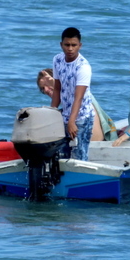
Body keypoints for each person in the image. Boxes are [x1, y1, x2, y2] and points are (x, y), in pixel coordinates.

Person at [50, 27, 95, 161]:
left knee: (79, 156)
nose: (70, 49)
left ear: (79, 46)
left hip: (82, 116)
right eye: (67, 45)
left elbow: (78, 97)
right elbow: (57, 88)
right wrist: (52, 113)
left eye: (74, 45)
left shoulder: (83, 67)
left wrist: (72, 121)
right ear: (61, 45)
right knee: (61, 155)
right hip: (64, 114)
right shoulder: (57, 60)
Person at [36, 68, 117, 141]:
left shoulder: (78, 97)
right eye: (43, 88)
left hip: (93, 146)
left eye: (48, 85)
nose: (46, 90)